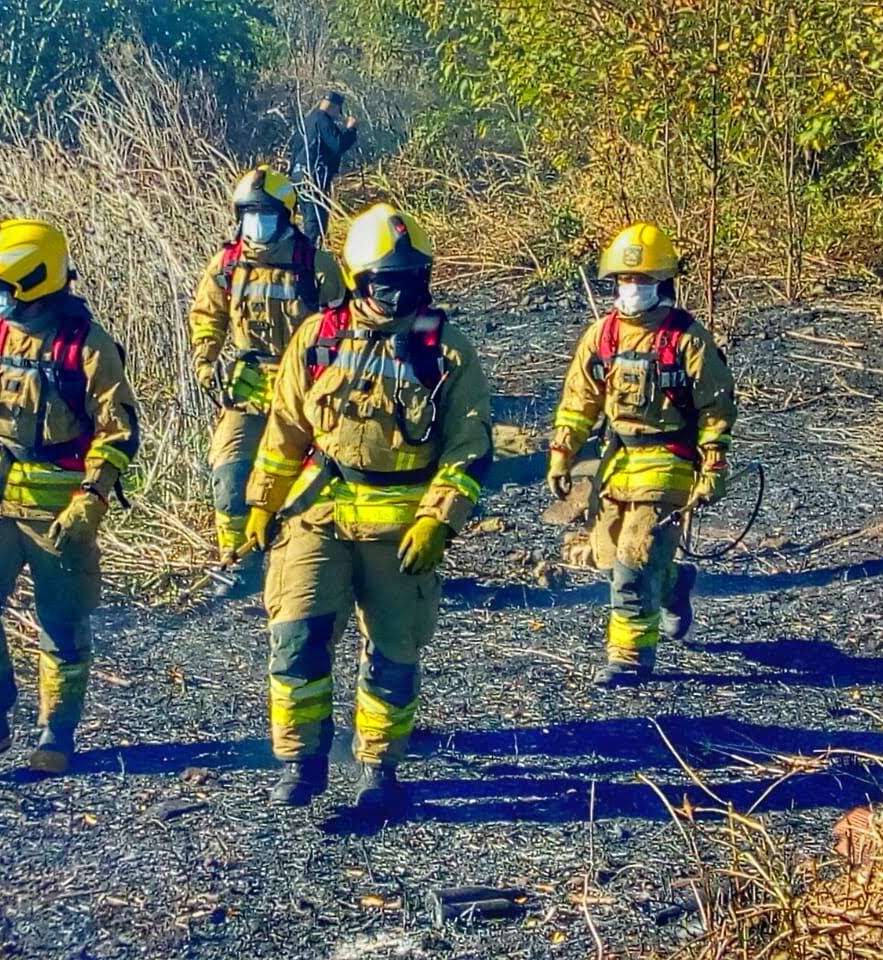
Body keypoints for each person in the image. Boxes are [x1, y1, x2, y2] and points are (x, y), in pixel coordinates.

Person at [243, 203, 492, 814]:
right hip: (318, 514)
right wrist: (259, 504)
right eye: (383, 278)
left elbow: (469, 447)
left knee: (393, 650)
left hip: (401, 527)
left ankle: (379, 765)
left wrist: (440, 518)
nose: (395, 290)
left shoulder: (446, 349)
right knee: (296, 637)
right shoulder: (318, 338)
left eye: (408, 276)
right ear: (358, 278)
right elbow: (283, 433)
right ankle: (301, 762)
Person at [0, 218, 140, 777]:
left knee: (61, 620)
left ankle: (57, 731)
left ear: (33, 283)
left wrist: (90, 501)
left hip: (61, 503)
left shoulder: (86, 346)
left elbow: (118, 432)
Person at [547, 222, 736, 688]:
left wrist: (712, 464)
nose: (631, 289)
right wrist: (562, 453)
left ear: (663, 284)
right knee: (611, 560)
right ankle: (673, 584)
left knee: (632, 564)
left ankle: (629, 658)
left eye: (642, 281)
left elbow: (716, 406)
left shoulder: (687, 339)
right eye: (625, 281)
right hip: (617, 465)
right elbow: (579, 402)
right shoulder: (602, 337)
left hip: (669, 463)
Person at [188, 165, 344, 597]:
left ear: (287, 216)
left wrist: (326, 379)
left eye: (267, 215)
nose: (257, 225)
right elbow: (208, 316)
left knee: (307, 477)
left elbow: (342, 327)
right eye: (249, 215)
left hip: (303, 389)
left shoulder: (316, 265)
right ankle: (235, 563)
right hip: (248, 384)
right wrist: (205, 362)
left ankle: (301, 561)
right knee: (229, 473)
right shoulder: (228, 264)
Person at [288, 91, 359, 247]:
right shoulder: (322, 119)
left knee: (308, 220)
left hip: (299, 177)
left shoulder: (307, 121)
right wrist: (351, 130)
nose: (337, 116)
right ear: (333, 107)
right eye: (337, 112)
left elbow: (294, 150)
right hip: (313, 178)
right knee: (316, 222)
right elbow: (338, 144)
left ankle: (306, 254)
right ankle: (311, 258)